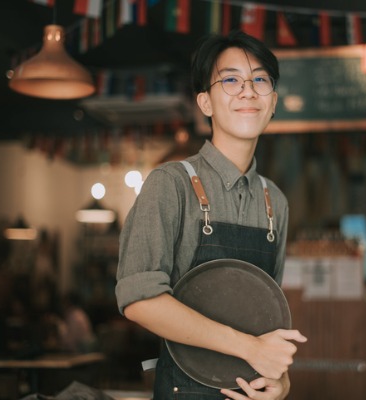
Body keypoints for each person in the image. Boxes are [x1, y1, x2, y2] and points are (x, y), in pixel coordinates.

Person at [115, 30, 307, 400]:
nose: (248, 91)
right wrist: (250, 348)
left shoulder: (275, 202)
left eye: (260, 80)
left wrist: (281, 382)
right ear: (205, 102)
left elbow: (267, 315)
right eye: (231, 79)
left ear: (273, 101)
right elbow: (139, 300)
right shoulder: (169, 185)